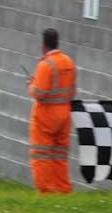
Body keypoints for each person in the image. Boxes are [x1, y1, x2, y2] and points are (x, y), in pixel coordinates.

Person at [27, 29, 77, 194]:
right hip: (64, 115)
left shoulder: (45, 64)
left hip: (46, 117)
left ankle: (46, 191)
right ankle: (63, 189)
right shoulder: (68, 62)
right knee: (60, 155)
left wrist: (31, 85)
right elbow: (72, 91)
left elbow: (40, 93)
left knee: (41, 154)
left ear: (44, 45)